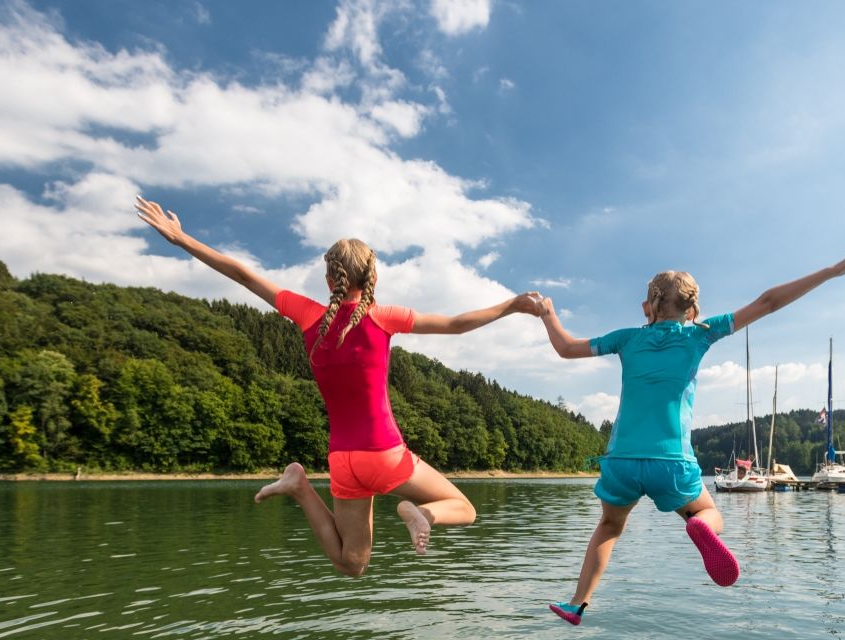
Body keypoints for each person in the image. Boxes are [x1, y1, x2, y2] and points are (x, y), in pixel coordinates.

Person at [135, 197, 543, 577]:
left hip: (342, 460)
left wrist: (182, 238)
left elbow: (243, 275)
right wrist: (509, 305)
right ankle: (422, 515)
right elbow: (456, 325)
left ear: (330, 278)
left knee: (352, 563)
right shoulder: (386, 317)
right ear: (372, 277)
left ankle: (299, 486)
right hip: (384, 454)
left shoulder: (307, 315)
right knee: (464, 508)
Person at [538, 248, 845, 624]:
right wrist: (833, 270)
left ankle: (576, 603)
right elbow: (767, 302)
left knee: (609, 525)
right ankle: (700, 527)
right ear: (692, 310)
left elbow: (566, 348)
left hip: (621, 461)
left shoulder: (627, 339)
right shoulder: (699, 334)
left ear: (647, 307)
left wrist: (548, 313)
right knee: (705, 510)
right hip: (671, 462)